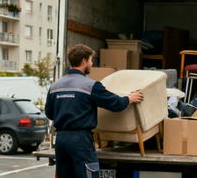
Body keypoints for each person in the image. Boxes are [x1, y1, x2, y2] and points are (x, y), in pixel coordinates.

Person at [45, 44, 144, 178]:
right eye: (91, 60)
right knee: (88, 174)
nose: (92, 64)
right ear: (84, 61)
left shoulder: (55, 86)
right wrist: (129, 99)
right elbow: (115, 104)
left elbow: (49, 113)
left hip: (61, 139)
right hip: (80, 140)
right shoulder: (90, 85)